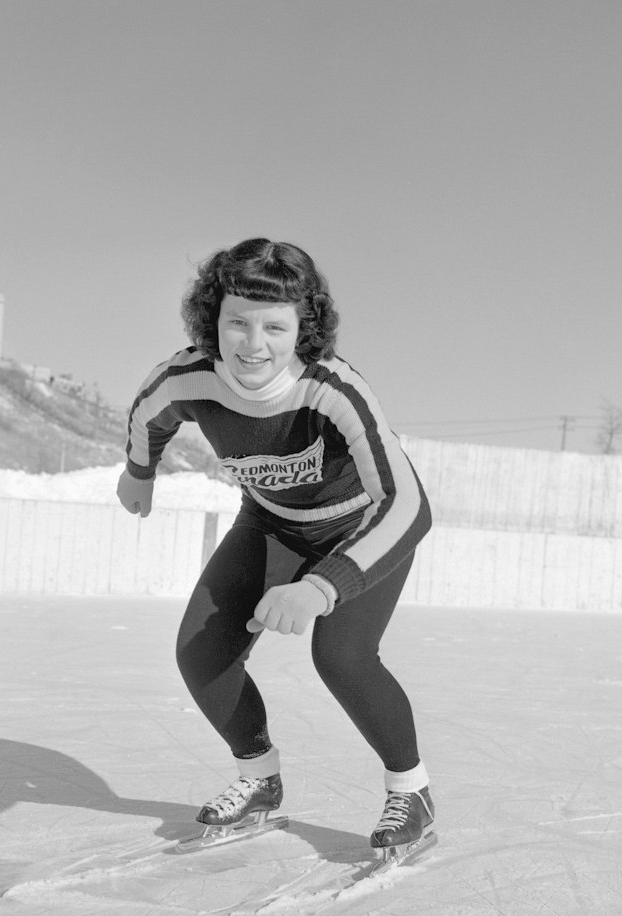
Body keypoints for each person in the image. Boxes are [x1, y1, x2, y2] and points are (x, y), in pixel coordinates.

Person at [117, 237, 434, 852]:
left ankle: (412, 791)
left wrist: (323, 586)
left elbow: (410, 506)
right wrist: (138, 471)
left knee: (341, 655)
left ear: (303, 328)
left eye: (274, 326)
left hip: (360, 528)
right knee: (200, 652)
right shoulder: (188, 378)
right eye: (236, 322)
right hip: (270, 522)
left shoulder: (332, 389)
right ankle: (258, 778)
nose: (252, 343)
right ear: (214, 319)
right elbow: (147, 414)